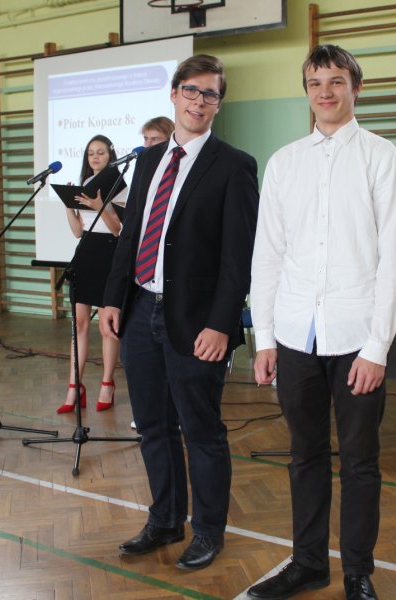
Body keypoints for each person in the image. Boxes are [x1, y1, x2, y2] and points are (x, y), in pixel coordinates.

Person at [247, 45, 396, 600]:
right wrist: (264, 338)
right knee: (304, 456)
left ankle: (358, 571)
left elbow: (393, 261)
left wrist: (378, 347)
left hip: (357, 338)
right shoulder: (284, 162)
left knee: (360, 461)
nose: (325, 92)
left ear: (355, 88)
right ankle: (308, 563)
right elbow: (267, 256)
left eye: (336, 81)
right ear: (306, 91)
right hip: (295, 335)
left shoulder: (381, 158)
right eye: (315, 82)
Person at [100, 54, 259, 571]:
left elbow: (238, 258)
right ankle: (165, 519)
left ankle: (208, 531)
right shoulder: (148, 161)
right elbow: (131, 239)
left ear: (218, 105)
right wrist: (112, 298)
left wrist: (221, 324)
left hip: (197, 324)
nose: (199, 101)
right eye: (191, 90)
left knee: (201, 430)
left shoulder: (234, 165)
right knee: (153, 426)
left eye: (210, 94)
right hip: (140, 311)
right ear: (174, 94)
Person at [57, 134, 126, 414]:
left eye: (100, 152)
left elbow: (118, 229)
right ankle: (75, 386)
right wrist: (68, 207)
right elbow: (77, 231)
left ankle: (107, 384)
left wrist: (100, 207)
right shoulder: (85, 183)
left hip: (109, 254)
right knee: (79, 324)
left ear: (111, 155)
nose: (95, 157)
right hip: (84, 253)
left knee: (107, 327)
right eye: (90, 153)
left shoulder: (118, 184)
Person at [128, 115, 175, 430]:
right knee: (150, 419)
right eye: (144, 139)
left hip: (178, 296)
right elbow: (131, 234)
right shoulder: (144, 168)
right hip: (142, 295)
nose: (147, 146)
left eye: (154, 140)